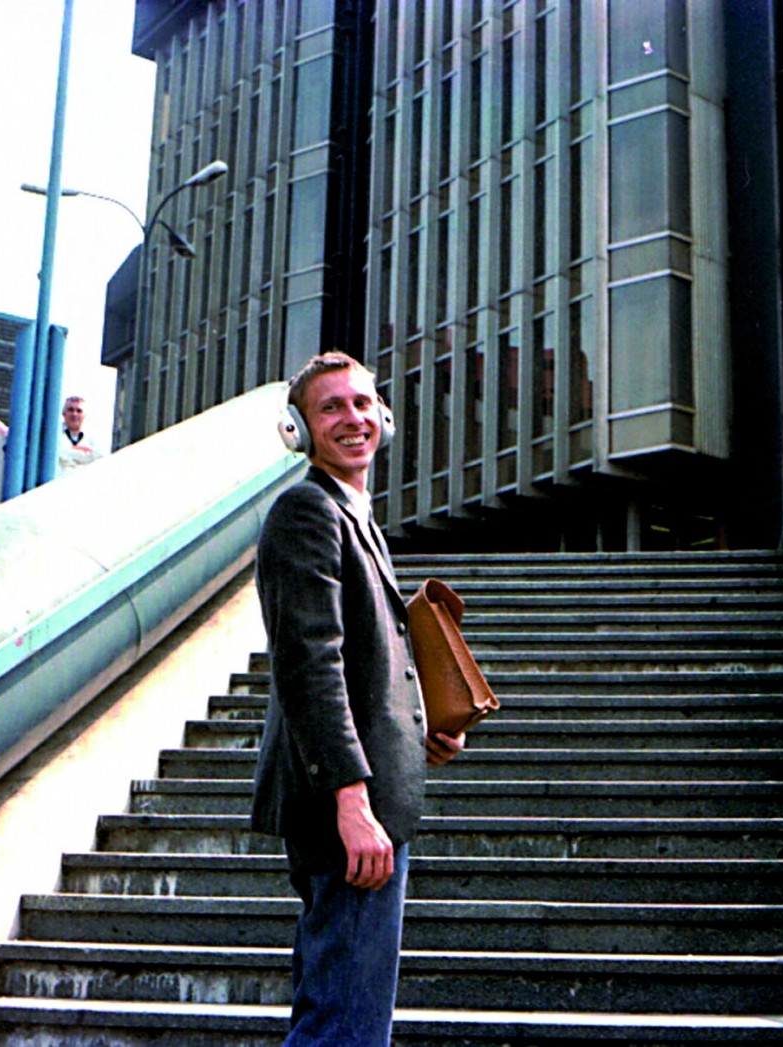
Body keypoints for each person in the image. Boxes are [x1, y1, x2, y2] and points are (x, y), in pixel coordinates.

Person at [250, 351, 464, 1046]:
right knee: (345, 1027)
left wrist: (420, 723)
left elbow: (364, 657)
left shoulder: (353, 513)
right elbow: (309, 663)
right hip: (346, 808)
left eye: (363, 403)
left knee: (342, 1014)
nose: (352, 419)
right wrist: (351, 801)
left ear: (385, 418)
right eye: (331, 407)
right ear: (298, 428)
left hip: (365, 799)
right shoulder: (307, 510)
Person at [57, 396, 102, 474]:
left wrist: (68, 452)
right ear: (63, 413)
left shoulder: (94, 438)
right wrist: (84, 454)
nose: (74, 414)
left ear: (84, 415)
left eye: (79, 411)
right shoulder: (54, 435)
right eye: (70, 410)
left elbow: (99, 458)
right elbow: (55, 454)